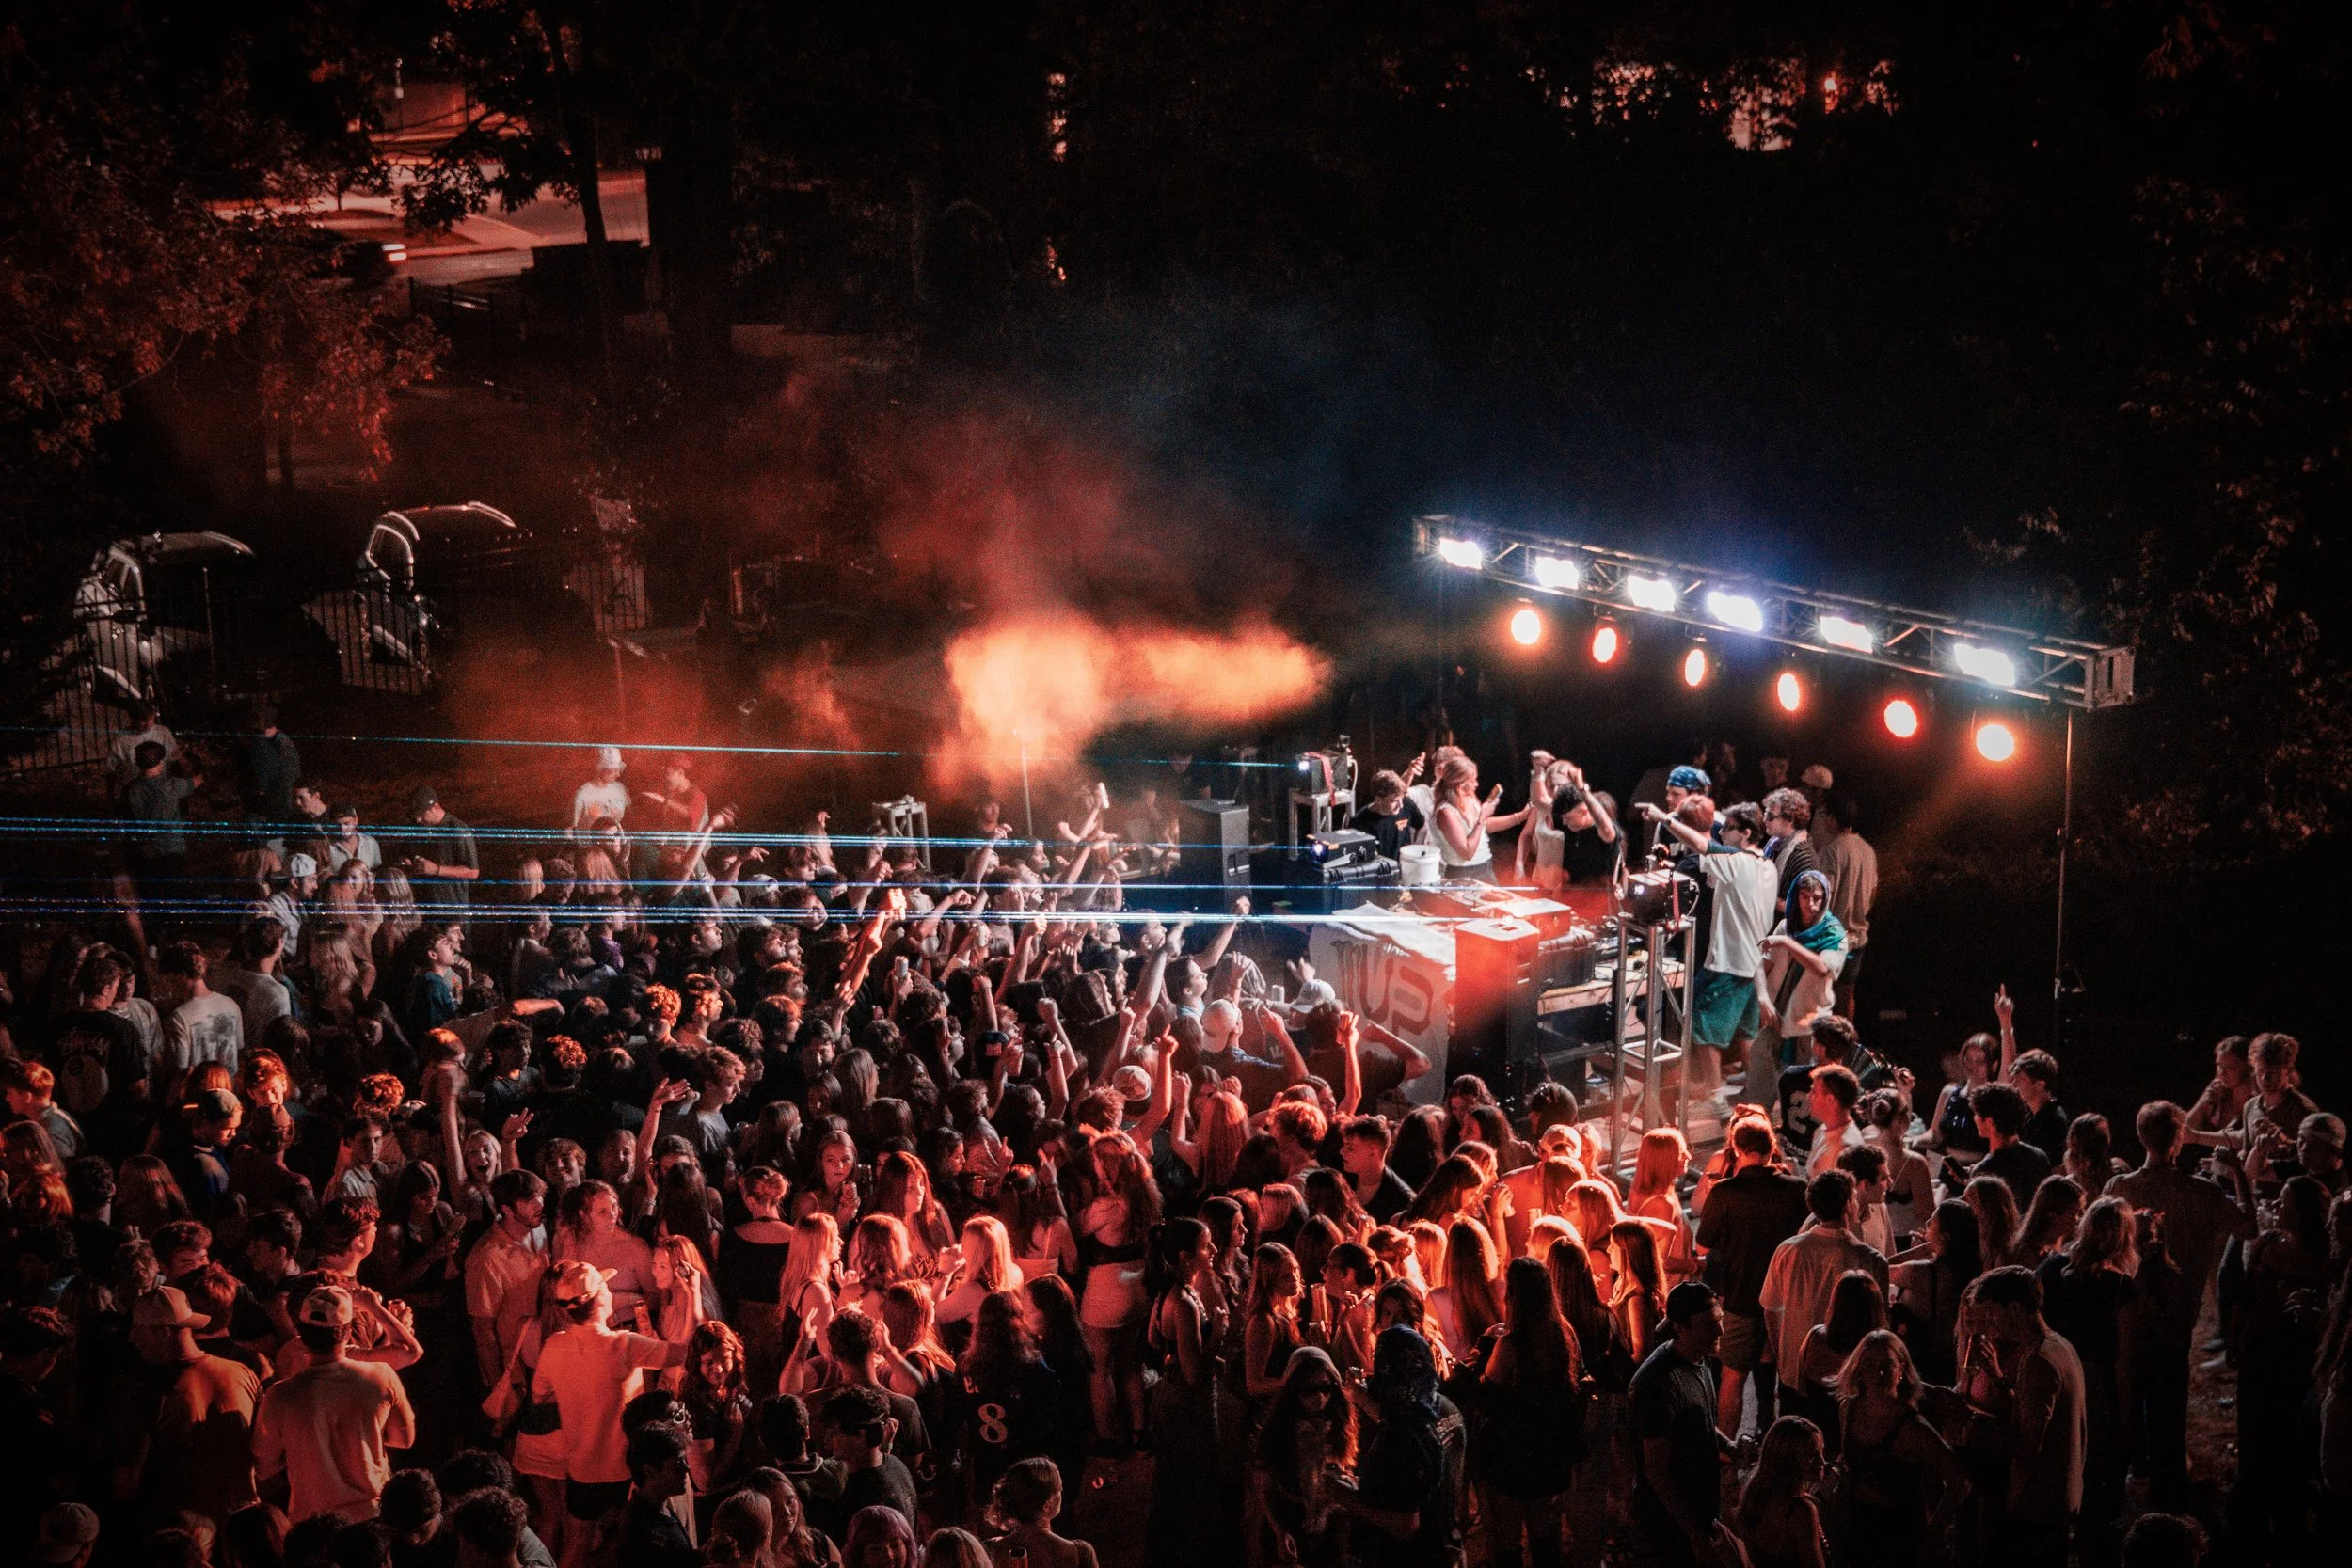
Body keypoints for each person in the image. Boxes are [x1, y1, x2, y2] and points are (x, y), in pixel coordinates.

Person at [2103, 1100, 2250, 1508]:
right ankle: (2167, 1499)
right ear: (2179, 1140)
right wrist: (2239, 1174)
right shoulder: (2201, 1192)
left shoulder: (2119, 1189)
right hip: (2175, 1319)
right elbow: (2248, 1226)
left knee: (2127, 1403)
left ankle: (2128, 1488)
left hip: (2129, 1314)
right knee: (2167, 1406)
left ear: (2140, 1137)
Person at [532, 1261, 691, 1565]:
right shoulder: (624, 1344)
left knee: (577, 1544)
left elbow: (539, 1395)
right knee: (626, 1545)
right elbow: (680, 1353)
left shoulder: (554, 1347)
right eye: (605, 1287)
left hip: (582, 1468)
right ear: (600, 1299)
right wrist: (690, 1295)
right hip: (626, 1470)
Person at [1954, 1267, 2086, 1568]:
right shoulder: (2059, 1346)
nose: (1990, 1323)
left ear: (2014, 1309)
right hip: (2060, 1497)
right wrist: (2000, 1384)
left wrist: (1973, 1430)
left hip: (2035, 1503)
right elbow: (2034, 1415)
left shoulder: (2039, 1361)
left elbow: (2028, 1446)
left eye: (1992, 1313)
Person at [254, 1285, 418, 1524]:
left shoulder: (281, 1395)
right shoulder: (381, 1376)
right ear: (347, 1331)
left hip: (312, 1522)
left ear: (301, 1332)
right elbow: (403, 1439)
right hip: (370, 1517)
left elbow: (265, 1466)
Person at [1651, 800, 1773, 1104]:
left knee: (1702, 1028)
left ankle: (1714, 1097)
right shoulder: (1766, 865)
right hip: (1753, 963)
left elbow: (1700, 844)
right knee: (1747, 1034)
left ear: (1745, 834)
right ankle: (1762, 1097)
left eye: (1729, 829)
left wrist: (1664, 818)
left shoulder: (1736, 862)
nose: (1723, 833)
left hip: (1729, 964)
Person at [121, 1283, 263, 1529]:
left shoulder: (148, 1395)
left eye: (137, 1329)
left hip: (185, 1534)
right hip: (243, 1525)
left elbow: (125, 1484)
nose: (131, 1337)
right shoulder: (242, 1374)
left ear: (164, 1332)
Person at [1477, 1258, 1584, 1568]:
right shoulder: (1563, 1333)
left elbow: (1489, 1396)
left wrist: (1486, 1347)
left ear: (1515, 1295)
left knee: (1508, 1537)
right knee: (1545, 1535)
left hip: (1514, 1453)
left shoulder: (1511, 1344)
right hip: (1550, 1450)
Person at [1757, 1172, 1887, 1422]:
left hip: (1794, 1375)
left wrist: (1784, 1358)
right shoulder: (1870, 1260)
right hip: (1848, 1376)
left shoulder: (1787, 1250)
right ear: (1848, 1204)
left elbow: (1771, 1309)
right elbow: (1880, 1326)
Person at [1834, 1331, 1969, 1568]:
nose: (1879, 1373)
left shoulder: (1911, 1428)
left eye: (1887, 1365)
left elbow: (1960, 1480)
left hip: (1897, 1534)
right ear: (1858, 1368)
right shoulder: (1848, 1409)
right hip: (1856, 1526)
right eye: (1870, 1365)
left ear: (1901, 1371)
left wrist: (1935, 1530)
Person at [1628, 1283, 1735, 1568]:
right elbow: (1657, 1471)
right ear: (1680, 1328)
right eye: (1709, 1325)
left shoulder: (1700, 1359)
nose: (1721, 1332)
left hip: (1698, 1507)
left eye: (1720, 1321)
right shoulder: (1657, 1383)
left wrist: (1731, 1447)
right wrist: (1694, 1534)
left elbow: (1699, 1424)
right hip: (1669, 1522)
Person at [1748, 871, 1845, 1124]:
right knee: (1759, 1091)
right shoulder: (1787, 925)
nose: (1810, 904)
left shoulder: (1833, 933)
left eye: (1816, 898)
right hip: (1773, 1017)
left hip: (1806, 1023)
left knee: (1801, 1096)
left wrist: (1786, 943)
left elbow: (1822, 967)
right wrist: (1763, 998)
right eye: (1805, 896)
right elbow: (1760, 966)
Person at [1808, 791, 1876, 1018]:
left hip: (1832, 938)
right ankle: (1845, 1049)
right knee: (1847, 998)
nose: (1823, 819)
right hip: (1858, 937)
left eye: (1825, 814)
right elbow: (1874, 891)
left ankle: (1822, 1050)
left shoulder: (1832, 851)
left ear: (1835, 817)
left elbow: (1822, 895)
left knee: (1822, 998)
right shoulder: (1867, 850)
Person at [1731, 1416, 1830, 1568]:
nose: (1822, 1462)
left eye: (1821, 1452)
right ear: (1788, 1459)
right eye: (1812, 1456)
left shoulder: (1756, 1497)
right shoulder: (1801, 1511)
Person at [1428, 755, 1526, 885]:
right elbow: (1467, 852)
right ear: (1460, 784)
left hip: (1485, 865)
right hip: (1463, 873)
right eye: (1472, 780)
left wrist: (1521, 816)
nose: (1477, 784)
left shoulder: (1470, 799)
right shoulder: (1446, 812)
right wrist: (1481, 818)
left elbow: (1485, 826)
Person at [1963, 1083, 2053, 1209]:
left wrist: (1975, 1182)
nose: (1975, 1118)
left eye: (1977, 1114)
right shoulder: (2039, 1157)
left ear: (1990, 1122)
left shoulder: (1986, 1170)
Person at [402, 787, 482, 912]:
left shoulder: (458, 830)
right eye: (416, 815)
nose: (418, 820)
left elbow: (473, 872)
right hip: (425, 910)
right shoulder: (417, 828)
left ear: (436, 807)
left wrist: (436, 870)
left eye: (422, 814)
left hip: (453, 912)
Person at [1349, 771, 1425, 861]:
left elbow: (1422, 826)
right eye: (1394, 801)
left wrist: (1415, 849)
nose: (1400, 805)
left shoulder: (1406, 803)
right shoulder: (1360, 822)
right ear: (1378, 800)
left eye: (1401, 799)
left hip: (1406, 866)